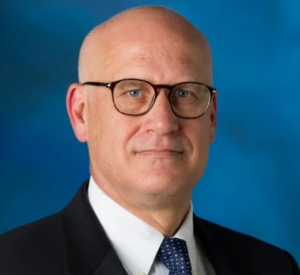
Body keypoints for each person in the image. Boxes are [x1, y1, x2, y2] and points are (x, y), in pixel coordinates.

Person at [0, 5, 299, 275]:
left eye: (184, 93)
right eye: (132, 92)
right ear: (81, 113)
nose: (163, 123)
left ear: (211, 118)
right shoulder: (10, 265)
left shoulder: (274, 267)